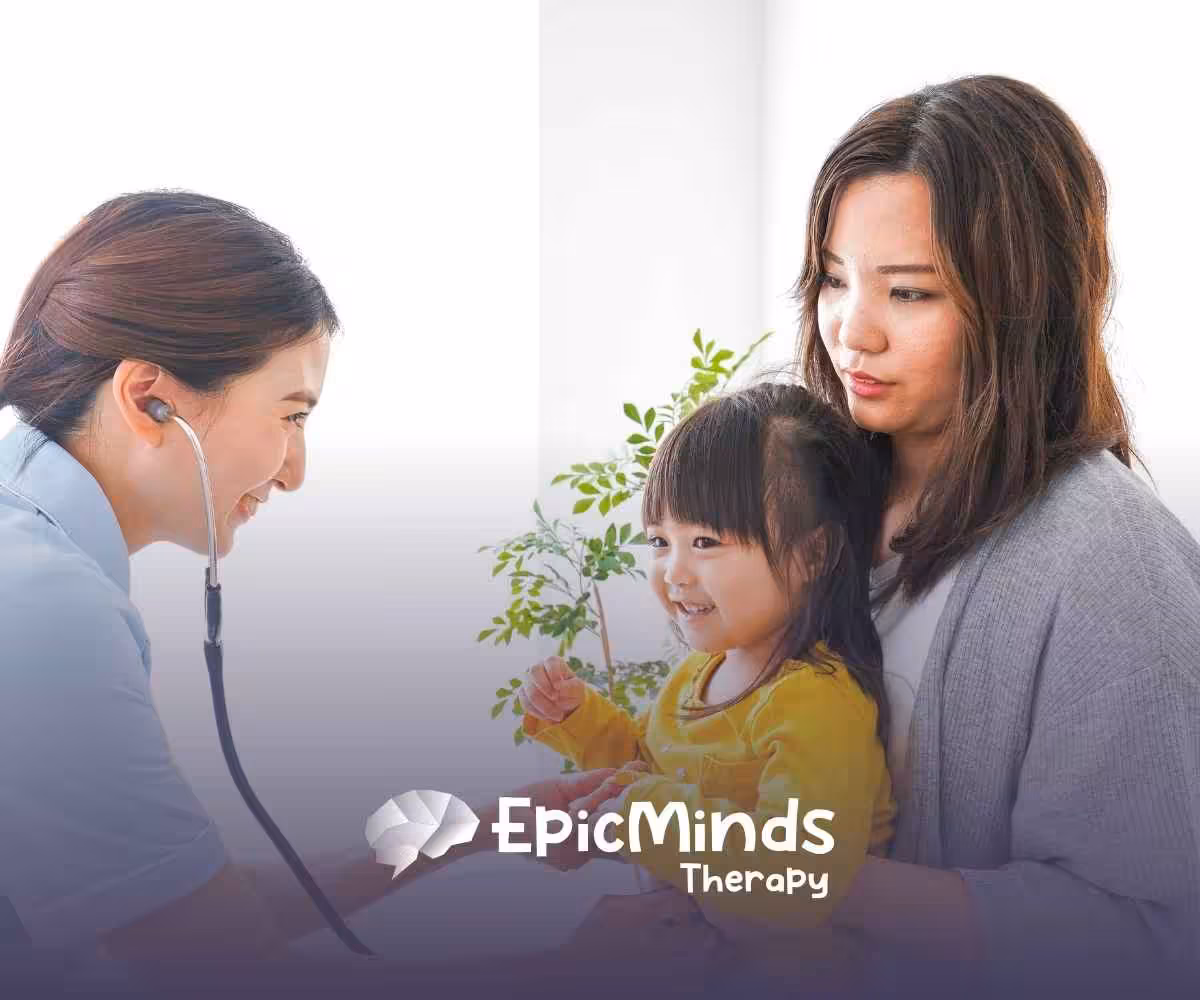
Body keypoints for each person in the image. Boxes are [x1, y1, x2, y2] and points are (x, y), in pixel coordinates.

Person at [0, 191, 624, 968]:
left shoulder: (32, 563)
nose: (295, 472)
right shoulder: (45, 608)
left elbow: (186, 907)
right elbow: (219, 965)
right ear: (148, 401)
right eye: (291, 416)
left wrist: (479, 826)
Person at [781, 73, 1200, 970]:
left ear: (1026, 303)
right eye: (833, 279)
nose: (852, 332)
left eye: (909, 293)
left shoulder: (1111, 561)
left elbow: (1147, 935)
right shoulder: (808, 502)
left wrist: (786, 875)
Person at [519, 382, 896, 968]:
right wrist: (578, 719)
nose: (674, 572)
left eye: (705, 541)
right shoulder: (698, 673)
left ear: (812, 555)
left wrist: (642, 816)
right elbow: (648, 763)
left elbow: (798, 874)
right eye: (659, 542)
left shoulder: (818, 702)